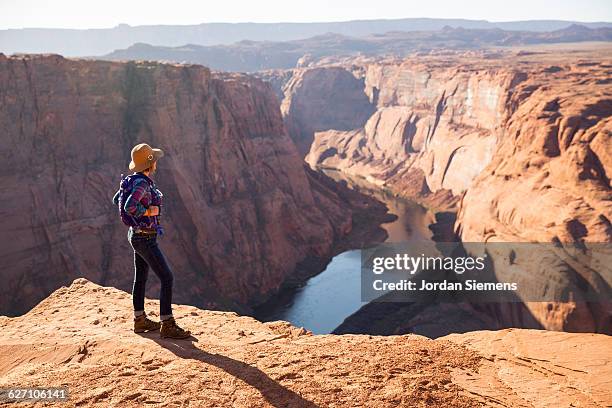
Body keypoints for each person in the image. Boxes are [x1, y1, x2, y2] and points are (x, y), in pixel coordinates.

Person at [112, 143, 191, 339]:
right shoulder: (142, 184)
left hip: (136, 235)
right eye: (154, 159)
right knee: (167, 277)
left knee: (141, 277)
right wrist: (148, 211)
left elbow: (117, 200)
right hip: (144, 238)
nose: (156, 162)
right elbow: (129, 205)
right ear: (150, 163)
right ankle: (167, 323)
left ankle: (140, 320)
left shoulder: (133, 179)